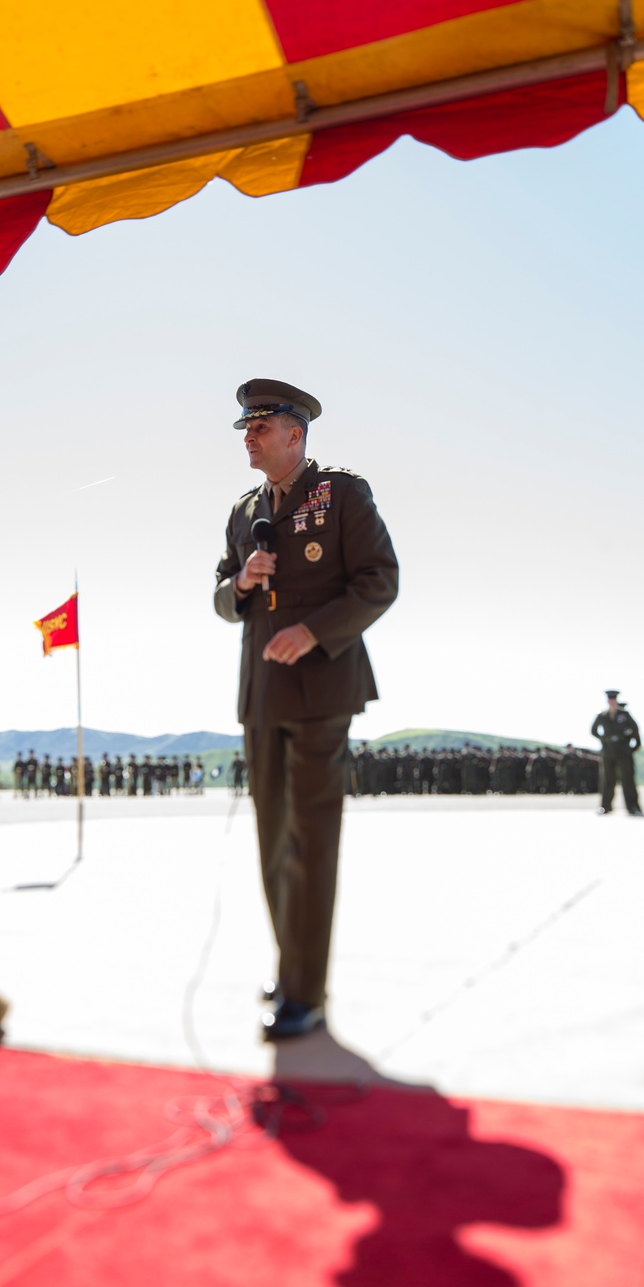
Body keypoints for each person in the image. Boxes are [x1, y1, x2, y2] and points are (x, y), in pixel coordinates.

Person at [214, 377, 398, 1041]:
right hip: (260, 694)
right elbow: (217, 590)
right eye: (245, 429)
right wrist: (239, 583)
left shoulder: (342, 492)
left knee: (311, 844)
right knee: (271, 843)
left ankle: (307, 992)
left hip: (322, 692)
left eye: (261, 428)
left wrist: (316, 629)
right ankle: (293, 969)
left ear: (296, 433)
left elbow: (380, 580)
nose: (249, 438)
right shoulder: (243, 511)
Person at [590, 690, 641, 815]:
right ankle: (605, 806)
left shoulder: (624, 714)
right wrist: (603, 739)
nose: (612, 701)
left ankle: (632, 806)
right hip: (608, 751)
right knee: (607, 780)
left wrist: (630, 745)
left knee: (627, 780)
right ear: (608, 701)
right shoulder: (602, 715)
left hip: (623, 751)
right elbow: (593, 730)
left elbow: (635, 729)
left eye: (614, 699)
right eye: (610, 699)